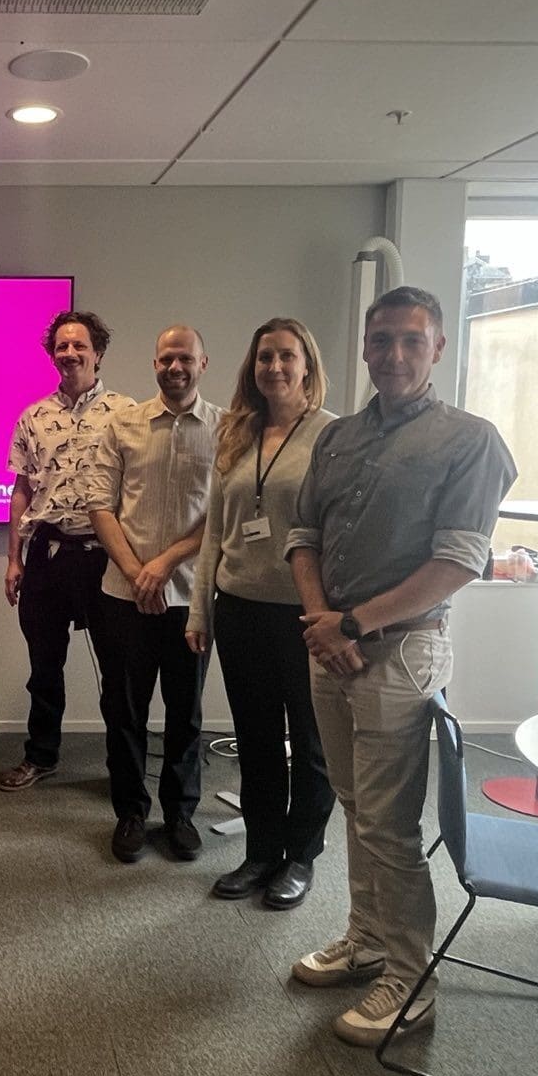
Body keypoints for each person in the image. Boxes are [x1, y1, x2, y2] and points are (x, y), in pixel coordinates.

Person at [284, 286, 515, 1047]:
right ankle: (368, 938)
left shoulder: (470, 441)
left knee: (388, 825)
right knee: (357, 809)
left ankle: (412, 977)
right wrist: (324, 623)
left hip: (403, 650)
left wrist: (352, 623)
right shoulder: (339, 436)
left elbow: (457, 561)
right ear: (364, 348)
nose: (394, 356)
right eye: (382, 341)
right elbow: (302, 533)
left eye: (412, 341)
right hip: (334, 645)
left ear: (439, 349)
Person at [186, 318, 336, 909]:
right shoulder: (236, 433)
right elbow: (215, 534)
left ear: (307, 365)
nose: (274, 366)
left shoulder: (331, 435)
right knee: (256, 739)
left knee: (311, 739)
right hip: (240, 609)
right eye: (264, 357)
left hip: (303, 615)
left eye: (286, 356)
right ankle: (262, 852)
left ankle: (301, 857)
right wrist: (200, 610)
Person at [87, 325, 221, 863]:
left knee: (185, 713)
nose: (175, 367)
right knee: (124, 710)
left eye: (185, 358)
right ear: (154, 363)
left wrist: (162, 565)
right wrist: (136, 570)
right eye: (166, 358)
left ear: (203, 363)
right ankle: (131, 813)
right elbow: (101, 506)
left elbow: (222, 515)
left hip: (193, 598)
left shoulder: (226, 430)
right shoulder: (122, 425)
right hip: (123, 595)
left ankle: (181, 814)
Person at [0, 310, 136, 791]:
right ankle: (41, 756)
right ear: (52, 355)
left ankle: (124, 769)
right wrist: (14, 559)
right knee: (43, 668)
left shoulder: (127, 414)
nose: (70, 353)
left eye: (80, 346)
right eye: (61, 346)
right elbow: (21, 491)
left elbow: (138, 488)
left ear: (98, 353)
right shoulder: (33, 417)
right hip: (47, 556)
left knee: (117, 672)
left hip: (104, 558)